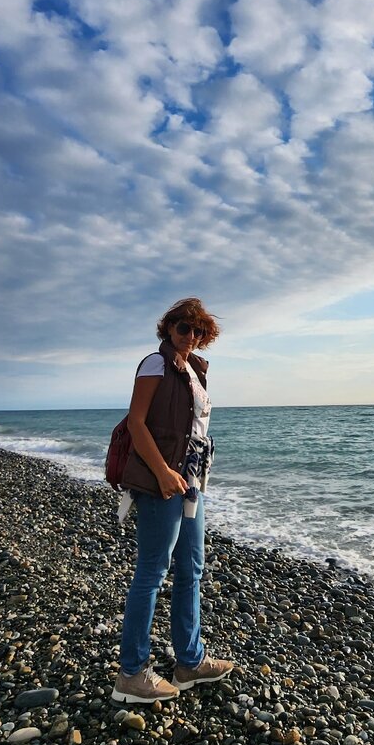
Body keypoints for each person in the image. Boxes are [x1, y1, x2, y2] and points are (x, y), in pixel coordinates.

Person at [112, 298, 234, 704]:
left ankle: (189, 662)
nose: (191, 337)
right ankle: (131, 673)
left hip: (192, 481)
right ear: (168, 328)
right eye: (184, 328)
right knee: (152, 571)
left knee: (191, 568)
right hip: (162, 480)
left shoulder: (194, 370)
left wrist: (187, 477)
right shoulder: (155, 363)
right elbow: (136, 421)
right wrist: (164, 472)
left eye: (199, 331)